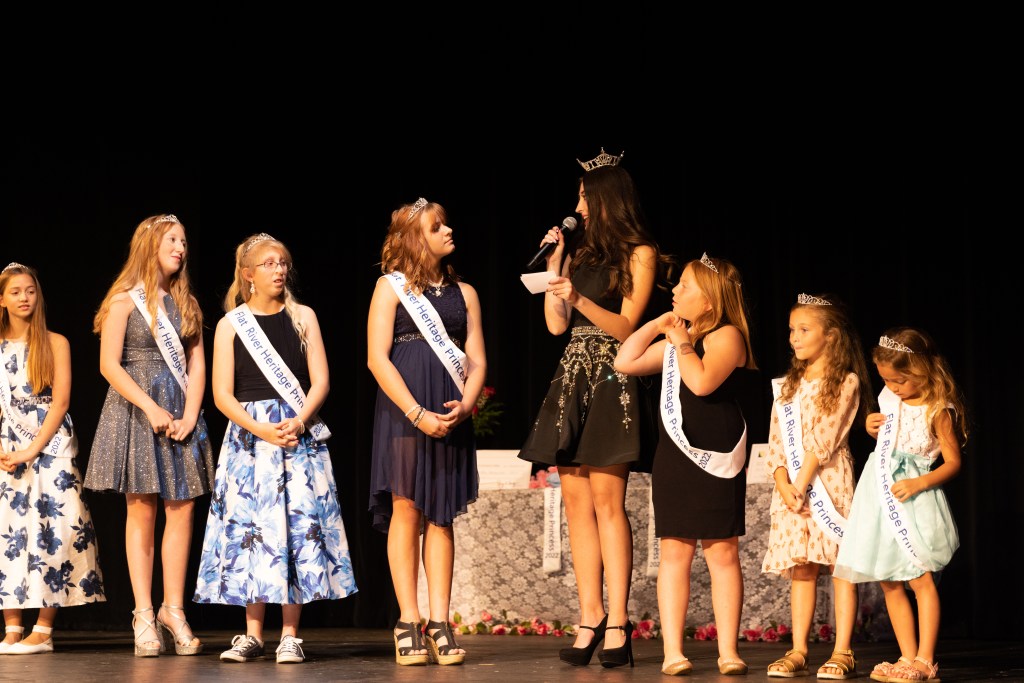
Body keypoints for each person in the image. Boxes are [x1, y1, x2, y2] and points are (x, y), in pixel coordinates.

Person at [518, 149, 673, 669]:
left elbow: (629, 327)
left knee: (608, 501)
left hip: (613, 374)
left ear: (608, 197)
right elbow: (556, 326)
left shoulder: (640, 252)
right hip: (573, 375)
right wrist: (556, 267)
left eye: (585, 197)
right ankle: (589, 617)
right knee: (575, 503)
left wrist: (580, 300)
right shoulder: (579, 254)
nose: (578, 206)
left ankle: (619, 623)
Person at [193, 232, 357, 665]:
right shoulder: (231, 324)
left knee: (295, 528)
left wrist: (299, 420)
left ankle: (289, 634)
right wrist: (260, 430)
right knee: (253, 530)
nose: (279, 270)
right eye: (268, 264)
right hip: (251, 438)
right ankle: (251, 635)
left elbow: (321, 380)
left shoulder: (303, 317)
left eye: (283, 263)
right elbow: (222, 394)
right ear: (248, 274)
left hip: (296, 431)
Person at [614, 251, 760, 676]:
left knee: (722, 553)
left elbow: (700, 382)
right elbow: (625, 361)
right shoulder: (680, 340)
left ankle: (728, 650)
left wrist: (679, 341)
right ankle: (673, 651)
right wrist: (656, 326)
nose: (674, 290)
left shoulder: (727, 336)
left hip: (717, 457)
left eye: (685, 286)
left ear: (709, 301)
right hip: (676, 459)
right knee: (674, 553)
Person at [84, 213, 214, 657]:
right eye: (172, 240)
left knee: (182, 509)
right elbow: (109, 365)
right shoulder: (124, 300)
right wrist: (150, 407)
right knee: (141, 510)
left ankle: (173, 609)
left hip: (180, 410)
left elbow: (197, 364)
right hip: (138, 412)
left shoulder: (186, 302)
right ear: (149, 245)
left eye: (184, 241)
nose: (181, 248)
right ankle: (143, 613)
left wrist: (191, 414)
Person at [367, 198, 487, 666]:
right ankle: (408, 620)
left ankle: (440, 621)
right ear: (415, 239)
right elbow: (377, 359)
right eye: (437, 227)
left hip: (449, 410)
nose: (448, 230)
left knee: (441, 514)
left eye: (446, 224)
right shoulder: (389, 287)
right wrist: (416, 413)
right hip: (405, 410)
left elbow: (476, 359)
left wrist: (468, 403)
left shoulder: (466, 292)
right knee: (407, 507)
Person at [834, 328, 966, 683]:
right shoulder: (889, 398)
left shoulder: (938, 409)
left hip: (914, 497)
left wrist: (920, 482)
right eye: (886, 380)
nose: (892, 387)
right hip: (879, 495)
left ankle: (925, 660)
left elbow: (953, 463)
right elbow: (886, 439)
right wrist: (870, 426)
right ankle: (907, 655)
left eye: (900, 380)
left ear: (921, 369)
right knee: (889, 581)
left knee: (919, 578)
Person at [761, 293, 873, 680]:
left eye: (804, 329)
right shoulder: (788, 386)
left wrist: (800, 481)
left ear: (831, 336)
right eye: (792, 329)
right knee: (802, 569)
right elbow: (777, 440)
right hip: (791, 487)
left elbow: (825, 437)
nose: (794, 337)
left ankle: (843, 651)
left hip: (828, 482)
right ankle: (798, 650)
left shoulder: (846, 380)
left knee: (840, 567)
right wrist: (783, 482)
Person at [0, 263, 105, 655]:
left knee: (55, 528)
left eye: (30, 290)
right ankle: (12, 626)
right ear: (2, 299)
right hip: (7, 445)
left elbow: (60, 402)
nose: (24, 298)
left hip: (49, 444)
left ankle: (43, 629)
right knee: (8, 530)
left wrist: (31, 449)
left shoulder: (55, 342)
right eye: (15, 292)